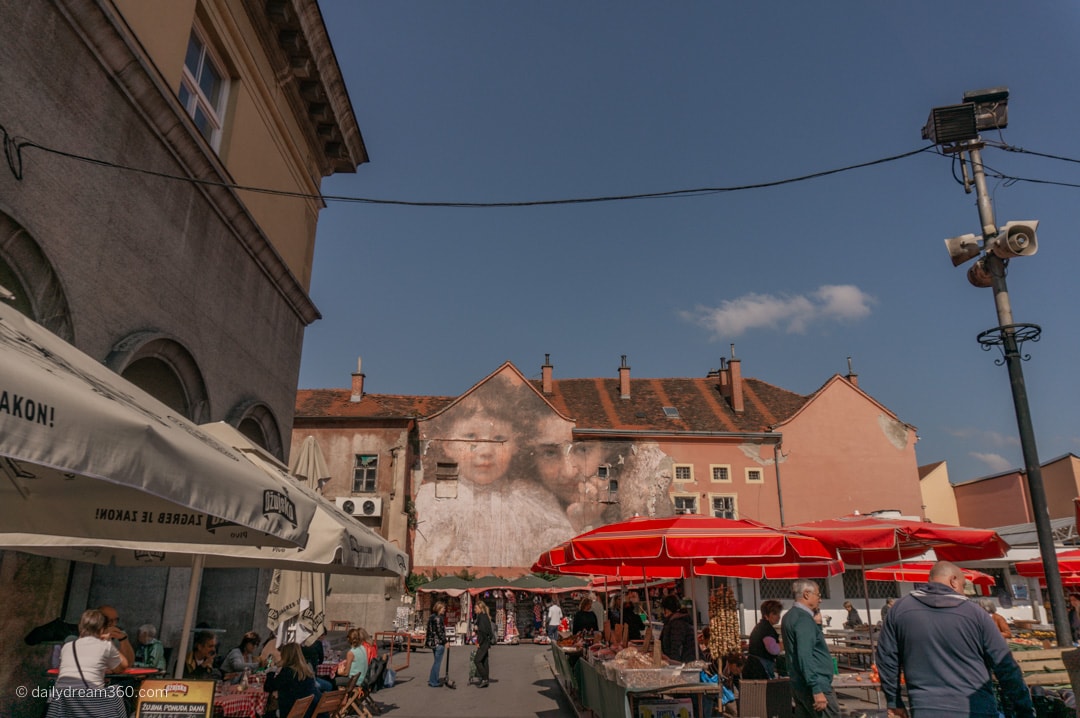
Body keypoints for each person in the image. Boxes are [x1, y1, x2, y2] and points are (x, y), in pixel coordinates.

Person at [875, 560, 1034, 718]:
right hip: (977, 708)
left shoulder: (899, 610)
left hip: (925, 709)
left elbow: (886, 658)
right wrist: (1023, 709)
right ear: (953, 581)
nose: (964, 592)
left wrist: (894, 701)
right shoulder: (977, 614)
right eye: (964, 586)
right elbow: (1004, 665)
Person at [47, 608, 129, 718]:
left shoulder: (67, 646)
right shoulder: (104, 646)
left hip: (63, 703)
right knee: (115, 692)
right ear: (102, 629)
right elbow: (122, 666)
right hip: (90, 703)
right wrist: (108, 641)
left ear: (80, 627)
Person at [781, 580, 839, 718]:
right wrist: (816, 688)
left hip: (799, 683)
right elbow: (805, 655)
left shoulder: (790, 616)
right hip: (814, 683)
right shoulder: (803, 619)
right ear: (807, 594)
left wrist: (817, 625)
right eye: (818, 595)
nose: (820, 600)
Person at [264, 642, 321, 718]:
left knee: (266, 714)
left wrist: (271, 671)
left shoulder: (288, 672)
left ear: (286, 656)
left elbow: (268, 687)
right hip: (307, 712)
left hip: (290, 713)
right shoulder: (306, 670)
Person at [745, 599, 782, 679]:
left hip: (754, 666)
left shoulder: (760, 627)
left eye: (779, 613)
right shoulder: (766, 629)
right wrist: (785, 644)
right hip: (760, 669)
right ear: (766, 615)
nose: (778, 616)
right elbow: (773, 649)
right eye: (775, 613)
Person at [659, 595, 695, 663]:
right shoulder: (673, 621)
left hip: (687, 665)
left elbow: (676, 647)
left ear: (666, 609)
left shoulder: (677, 623)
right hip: (683, 663)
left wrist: (673, 665)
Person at [426, 601, 448, 687]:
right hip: (438, 643)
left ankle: (433, 679)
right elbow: (440, 632)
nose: (444, 610)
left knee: (436, 662)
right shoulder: (438, 618)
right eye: (443, 608)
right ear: (439, 608)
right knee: (437, 663)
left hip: (433, 643)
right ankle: (434, 681)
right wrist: (445, 642)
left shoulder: (431, 617)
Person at [473, 600, 494, 688]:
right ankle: (486, 679)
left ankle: (485, 678)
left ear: (480, 608)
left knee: (477, 660)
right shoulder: (485, 616)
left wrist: (478, 642)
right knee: (484, 660)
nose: (474, 609)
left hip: (483, 642)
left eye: (476, 608)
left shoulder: (482, 617)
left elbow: (482, 632)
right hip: (486, 641)